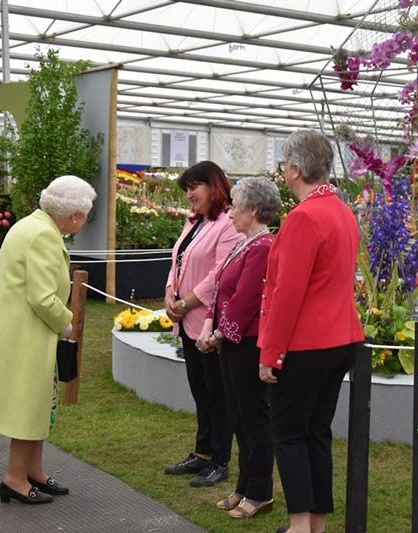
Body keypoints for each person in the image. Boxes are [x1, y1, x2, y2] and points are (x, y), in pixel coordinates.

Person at [0, 175, 97, 504]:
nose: (85, 221)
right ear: (75, 215)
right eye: (86, 215)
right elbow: (42, 298)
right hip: (27, 333)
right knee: (27, 407)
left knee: (37, 404)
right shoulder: (43, 236)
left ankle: (33, 471)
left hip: (20, 330)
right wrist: (69, 325)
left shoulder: (32, 226)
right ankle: (14, 479)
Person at [258, 130, 364, 533]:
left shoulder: (304, 216)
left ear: (296, 169)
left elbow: (288, 293)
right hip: (340, 339)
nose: (283, 172)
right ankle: (315, 522)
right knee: (317, 432)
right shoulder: (341, 209)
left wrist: (270, 353)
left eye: (285, 165)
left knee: (288, 434)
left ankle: (300, 525)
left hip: (305, 344)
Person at [197, 177, 281, 519]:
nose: (229, 212)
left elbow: (246, 300)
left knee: (253, 419)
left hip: (246, 344)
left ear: (254, 210)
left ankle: (260, 491)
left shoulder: (262, 247)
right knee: (239, 417)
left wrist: (217, 334)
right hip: (232, 343)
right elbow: (221, 289)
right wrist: (209, 326)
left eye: (235, 206)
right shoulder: (244, 243)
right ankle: (244, 486)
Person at [163, 160, 242, 487]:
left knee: (217, 394)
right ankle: (203, 453)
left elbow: (220, 274)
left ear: (214, 187)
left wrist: (185, 303)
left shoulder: (228, 224)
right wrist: (169, 293)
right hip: (187, 322)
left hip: (208, 324)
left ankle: (220, 460)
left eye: (193, 188)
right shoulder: (193, 221)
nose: (188, 195)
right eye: (186, 189)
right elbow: (177, 260)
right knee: (201, 391)